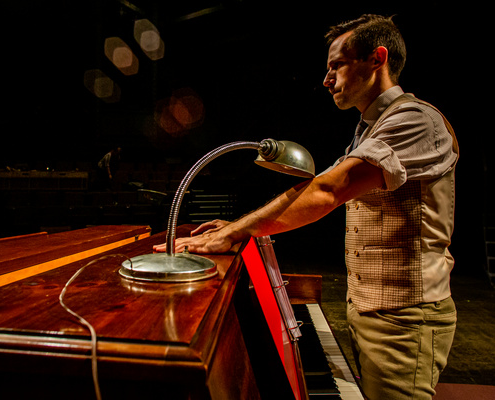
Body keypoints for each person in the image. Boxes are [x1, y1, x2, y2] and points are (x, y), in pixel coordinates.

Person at [154, 14, 459, 400]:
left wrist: (235, 231)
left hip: (405, 316)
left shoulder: (415, 120)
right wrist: (236, 224)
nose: (327, 79)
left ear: (377, 59)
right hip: (375, 312)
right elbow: (319, 188)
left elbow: (327, 192)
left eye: (337, 65)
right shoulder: (370, 128)